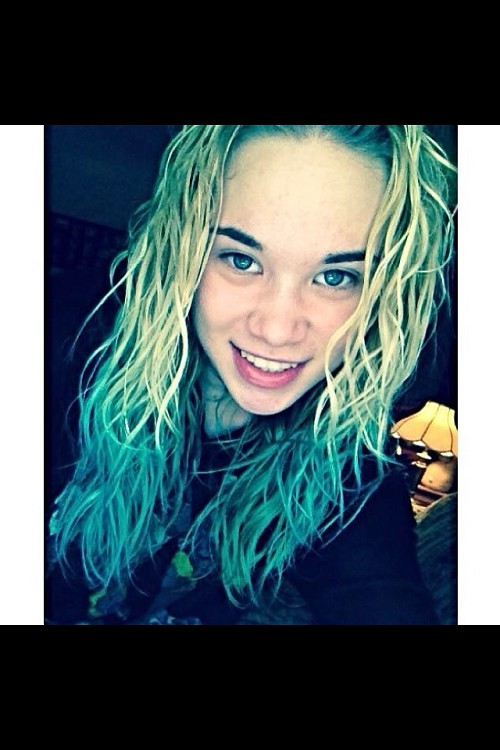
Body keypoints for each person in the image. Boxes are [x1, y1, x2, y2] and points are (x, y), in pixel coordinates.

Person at [46, 125, 456, 626]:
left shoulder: (347, 472)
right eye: (241, 261)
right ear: (183, 250)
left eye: (335, 277)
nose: (278, 330)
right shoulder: (61, 341)